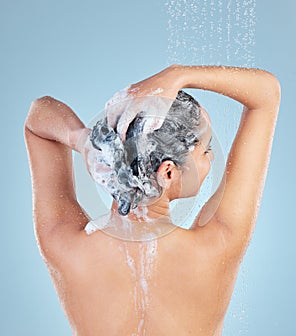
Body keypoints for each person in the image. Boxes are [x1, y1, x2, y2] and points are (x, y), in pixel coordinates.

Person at [24, 64, 280, 336]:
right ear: (168, 173)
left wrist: (84, 141)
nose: (211, 158)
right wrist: (178, 75)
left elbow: (38, 117)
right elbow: (266, 94)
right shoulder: (219, 242)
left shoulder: (64, 244)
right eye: (205, 150)